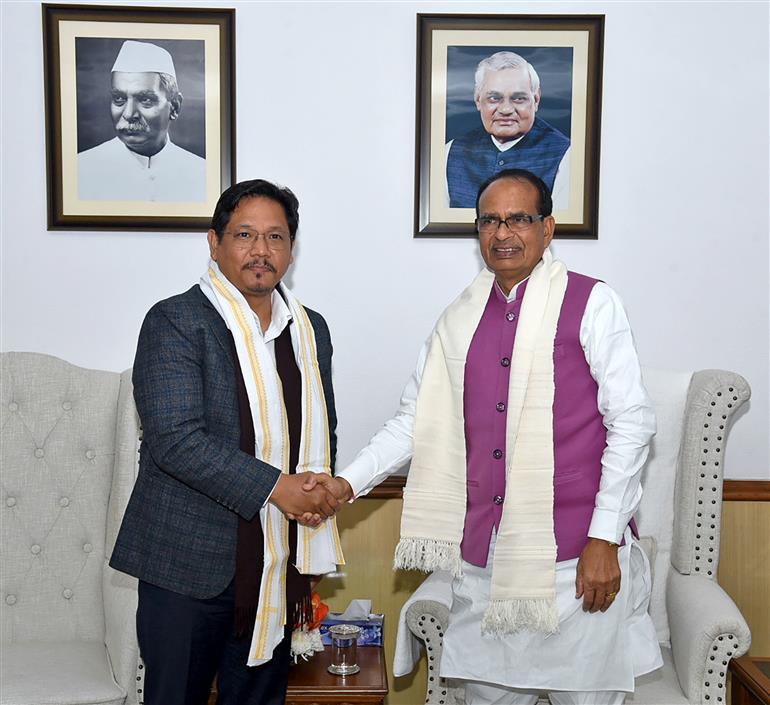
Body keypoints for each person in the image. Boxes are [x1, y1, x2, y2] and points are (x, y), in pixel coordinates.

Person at [322, 169, 663, 704]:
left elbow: (632, 422)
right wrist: (346, 485)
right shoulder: (457, 320)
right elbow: (414, 422)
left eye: (518, 219)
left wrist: (604, 537)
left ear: (547, 229)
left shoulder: (593, 303)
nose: (502, 233)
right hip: (485, 561)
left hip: (576, 559)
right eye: (489, 221)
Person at [110, 179, 347, 705]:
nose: (261, 250)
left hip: (276, 564)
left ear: (291, 250)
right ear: (214, 243)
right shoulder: (175, 321)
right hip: (187, 570)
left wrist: (316, 498)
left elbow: (322, 430)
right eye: (244, 234)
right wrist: (279, 489)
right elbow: (175, 441)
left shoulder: (310, 330)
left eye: (275, 237)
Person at [78, 40, 206, 202]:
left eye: (145, 100)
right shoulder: (80, 169)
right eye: (119, 99)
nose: (129, 114)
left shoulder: (202, 173)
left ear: (174, 106)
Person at [446, 51, 571, 210]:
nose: (506, 109)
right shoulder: (451, 152)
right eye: (494, 98)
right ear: (478, 100)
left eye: (518, 98)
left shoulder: (566, 156)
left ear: (536, 100)